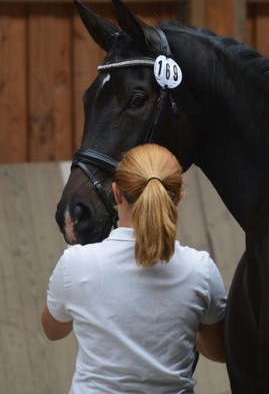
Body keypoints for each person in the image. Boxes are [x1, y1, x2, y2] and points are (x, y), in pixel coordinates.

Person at [41, 144, 227, 394]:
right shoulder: (201, 270)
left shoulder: (77, 263)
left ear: (116, 194)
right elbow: (219, 351)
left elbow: (53, 330)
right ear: (179, 197)